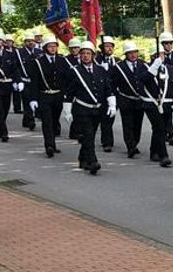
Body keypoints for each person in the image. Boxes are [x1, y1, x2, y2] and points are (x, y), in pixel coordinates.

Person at [62, 41, 116, 175]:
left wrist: (112, 104)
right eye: (83, 54)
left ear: (93, 55)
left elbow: (107, 88)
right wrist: (67, 110)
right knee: (88, 133)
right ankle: (93, 162)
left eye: (88, 53)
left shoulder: (101, 70)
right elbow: (69, 93)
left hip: (97, 109)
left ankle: (82, 158)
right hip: (82, 109)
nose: (85, 56)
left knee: (90, 136)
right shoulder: (74, 72)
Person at [27, 35, 69, 157]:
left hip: (58, 96)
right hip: (44, 96)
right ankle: (49, 145)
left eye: (54, 46)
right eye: (50, 46)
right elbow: (34, 81)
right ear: (45, 48)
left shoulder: (62, 61)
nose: (52, 48)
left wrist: (67, 95)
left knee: (55, 121)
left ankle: (53, 144)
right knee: (47, 122)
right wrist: (33, 99)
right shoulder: (38, 62)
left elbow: (66, 79)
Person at [139, 47, 173, 168]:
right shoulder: (145, 68)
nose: (160, 57)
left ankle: (154, 151)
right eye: (157, 55)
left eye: (162, 55)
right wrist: (154, 67)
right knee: (159, 127)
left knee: (161, 128)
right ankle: (163, 155)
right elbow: (144, 79)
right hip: (151, 103)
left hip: (166, 103)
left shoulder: (169, 69)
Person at [111, 41, 147, 159]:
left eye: (135, 52)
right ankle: (130, 146)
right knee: (128, 124)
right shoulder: (118, 67)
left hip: (139, 100)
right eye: (130, 53)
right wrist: (117, 98)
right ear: (126, 54)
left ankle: (135, 143)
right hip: (125, 99)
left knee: (138, 124)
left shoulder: (143, 65)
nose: (133, 55)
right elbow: (112, 84)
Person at [96, 36, 118, 153]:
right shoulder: (97, 61)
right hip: (103, 94)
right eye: (106, 46)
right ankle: (107, 142)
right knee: (106, 118)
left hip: (115, 93)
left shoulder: (118, 60)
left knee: (111, 117)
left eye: (111, 46)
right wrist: (102, 69)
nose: (109, 48)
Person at [12, 35, 37, 131]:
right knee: (27, 101)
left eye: (32, 41)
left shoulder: (39, 52)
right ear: (24, 42)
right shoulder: (19, 53)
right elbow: (15, 68)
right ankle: (31, 120)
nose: (31, 43)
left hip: (35, 81)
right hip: (24, 81)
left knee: (34, 100)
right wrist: (17, 81)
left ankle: (26, 119)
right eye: (28, 41)